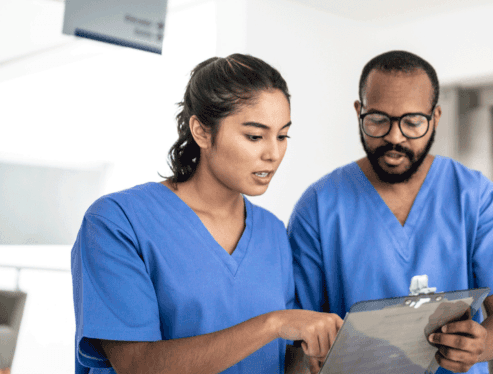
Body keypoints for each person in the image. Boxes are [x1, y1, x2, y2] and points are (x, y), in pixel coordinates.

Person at [71, 54, 342, 374]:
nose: (273, 154)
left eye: (282, 136)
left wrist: (319, 357)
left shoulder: (271, 231)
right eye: (255, 136)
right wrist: (274, 323)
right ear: (201, 131)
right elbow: (136, 364)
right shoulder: (117, 222)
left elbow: (277, 357)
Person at [288, 50, 493, 374]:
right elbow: (296, 334)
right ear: (358, 111)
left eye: (412, 122)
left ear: (435, 117)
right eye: (377, 119)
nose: (394, 137)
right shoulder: (318, 206)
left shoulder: (476, 197)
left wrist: (481, 344)